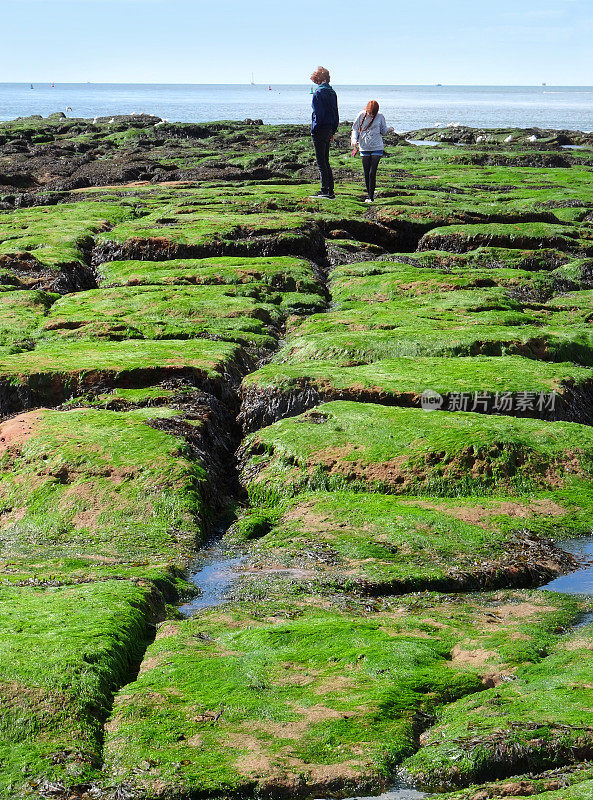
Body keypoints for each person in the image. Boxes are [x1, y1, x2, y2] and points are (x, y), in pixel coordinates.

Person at [351, 100, 394, 203]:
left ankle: (371, 197)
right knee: (366, 172)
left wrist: (390, 129)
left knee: (372, 172)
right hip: (364, 147)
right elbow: (355, 129)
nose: (371, 115)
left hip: (377, 147)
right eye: (370, 113)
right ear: (367, 110)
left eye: (373, 113)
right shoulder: (361, 115)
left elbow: (383, 131)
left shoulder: (380, 116)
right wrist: (353, 140)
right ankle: (368, 194)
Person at [310, 66, 339, 199]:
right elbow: (335, 113)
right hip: (329, 129)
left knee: (321, 161)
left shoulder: (318, 93)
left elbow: (318, 114)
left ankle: (325, 190)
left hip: (320, 129)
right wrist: (333, 129)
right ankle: (330, 190)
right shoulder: (332, 92)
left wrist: (314, 128)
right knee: (326, 160)